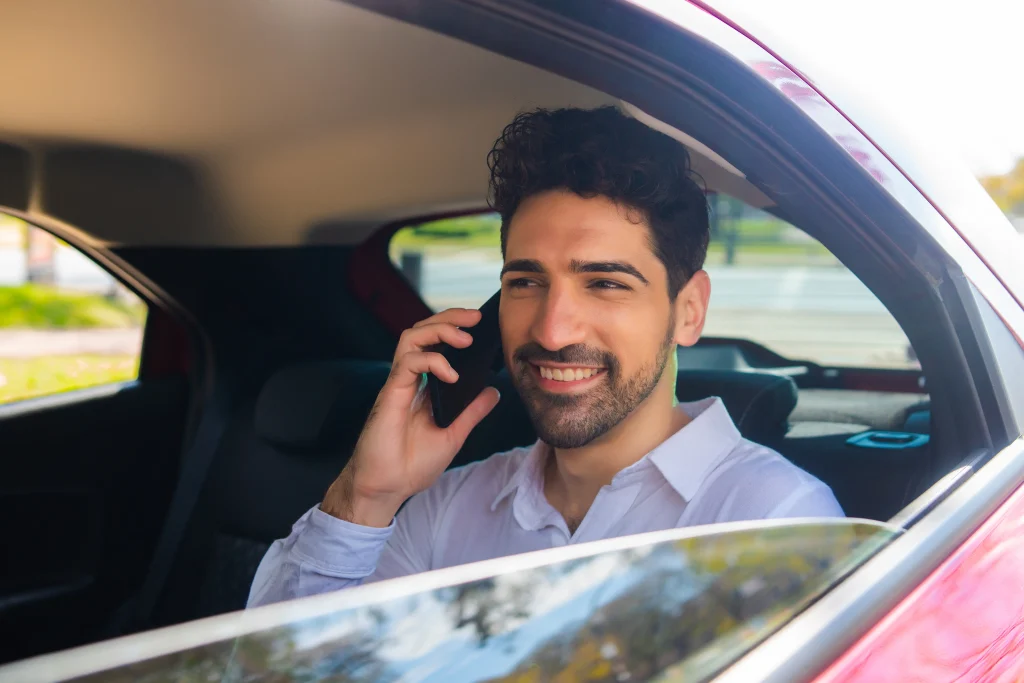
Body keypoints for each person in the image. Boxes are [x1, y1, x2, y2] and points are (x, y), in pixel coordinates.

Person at [248, 107, 842, 608]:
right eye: (526, 282)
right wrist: (365, 497)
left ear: (688, 310)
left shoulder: (779, 522)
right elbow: (273, 671)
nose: (553, 331)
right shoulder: (446, 508)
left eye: (606, 283)